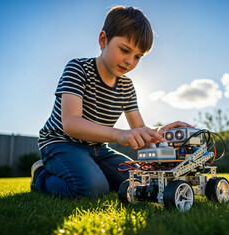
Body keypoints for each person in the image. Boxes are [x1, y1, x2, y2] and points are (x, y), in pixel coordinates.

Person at [31, 6, 192, 198]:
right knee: (92, 188)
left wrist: (159, 133)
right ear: (103, 40)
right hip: (61, 143)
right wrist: (119, 134)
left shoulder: (127, 86)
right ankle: (40, 175)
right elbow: (71, 124)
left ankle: (94, 170)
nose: (130, 61)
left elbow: (138, 128)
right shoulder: (78, 69)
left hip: (99, 149)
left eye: (138, 57)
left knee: (141, 181)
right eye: (125, 50)